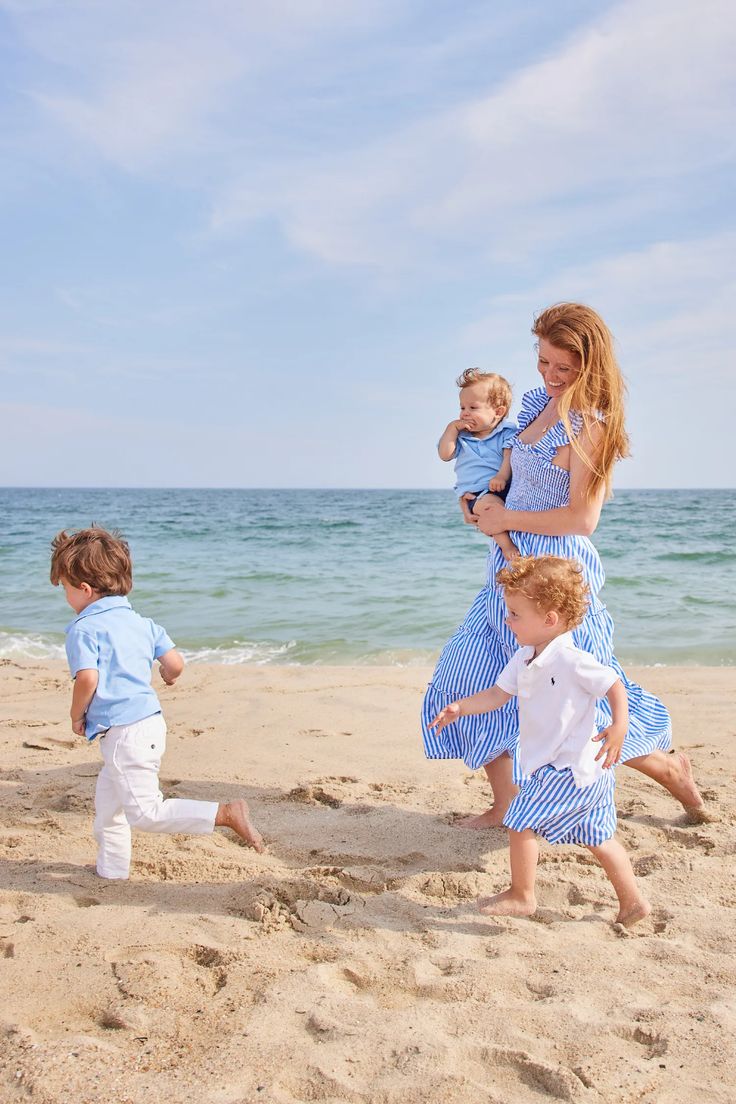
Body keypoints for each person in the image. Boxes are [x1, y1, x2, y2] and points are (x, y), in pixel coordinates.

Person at [422, 302, 705, 828]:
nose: (550, 377)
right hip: (506, 568)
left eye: (563, 368)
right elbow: (505, 469)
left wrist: (506, 513)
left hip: (557, 573)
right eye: (543, 361)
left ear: (589, 367)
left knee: (577, 696)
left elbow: (582, 518)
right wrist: (483, 502)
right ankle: (506, 802)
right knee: (468, 675)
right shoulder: (531, 403)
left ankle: (669, 769)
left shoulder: (590, 426)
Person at [431, 555, 650, 927]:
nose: (507, 620)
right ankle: (633, 902)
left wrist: (620, 726)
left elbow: (613, 684)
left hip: (567, 768)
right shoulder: (525, 656)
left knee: (518, 821)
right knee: (598, 837)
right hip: (583, 772)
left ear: (549, 620)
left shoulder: (571, 658)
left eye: (515, 614)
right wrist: (460, 708)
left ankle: (522, 895)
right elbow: (498, 695)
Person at [50, 526, 264, 880]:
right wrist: (169, 675)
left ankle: (224, 814)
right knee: (109, 807)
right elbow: (175, 662)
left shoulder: (83, 629)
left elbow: (87, 679)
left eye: (66, 591)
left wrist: (77, 715)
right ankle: (112, 870)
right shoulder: (141, 622)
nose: (67, 599)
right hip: (149, 722)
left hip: (123, 734)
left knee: (145, 812)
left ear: (85, 590)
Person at [437, 368, 518, 560]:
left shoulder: (507, 431)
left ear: (498, 412)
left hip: (504, 486)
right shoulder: (461, 437)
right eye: (462, 408)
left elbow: (509, 456)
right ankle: (507, 548)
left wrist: (501, 476)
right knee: (490, 510)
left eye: (473, 408)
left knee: (501, 510)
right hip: (477, 494)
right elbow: (445, 454)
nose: (465, 414)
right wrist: (451, 428)